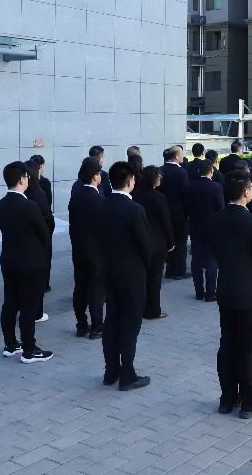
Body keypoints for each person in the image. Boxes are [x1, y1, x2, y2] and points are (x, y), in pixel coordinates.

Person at [209, 175, 252, 418]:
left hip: (226, 289)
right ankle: (249, 401)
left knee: (227, 344)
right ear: (246, 192)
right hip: (249, 293)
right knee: (247, 348)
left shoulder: (216, 220)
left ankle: (227, 398)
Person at [99, 161, 153, 391]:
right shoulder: (134, 209)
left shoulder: (102, 205)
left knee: (112, 319)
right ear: (130, 182)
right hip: (131, 274)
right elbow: (145, 245)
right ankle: (128, 374)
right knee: (130, 323)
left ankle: (111, 370)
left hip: (108, 270)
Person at [0, 161, 54, 363]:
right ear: (22, 179)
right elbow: (45, 234)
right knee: (28, 307)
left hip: (9, 260)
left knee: (10, 303)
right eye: (27, 177)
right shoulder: (30, 206)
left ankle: (10, 344)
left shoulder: (1, 204)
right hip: (31, 262)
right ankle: (29, 350)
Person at [68, 157, 106, 339]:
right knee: (96, 289)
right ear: (95, 176)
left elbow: (72, 225)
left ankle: (81, 325)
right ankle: (97, 326)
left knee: (80, 287)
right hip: (96, 252)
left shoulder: (75, 197)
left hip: (79, 249)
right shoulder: (99, 200)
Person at [132, 165, 175, 319]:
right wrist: (171, 242)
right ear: (153, 178)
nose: (160, 178)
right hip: (157, 243)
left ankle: (140, 308)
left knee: (141, 277)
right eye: (158, 176)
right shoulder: (159, 197)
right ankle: (153, 310)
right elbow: (166, 222)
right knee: (155, 279)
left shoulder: (135, 195)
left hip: (139, 241)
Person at [187, 160, 225, 301]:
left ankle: (199, 291)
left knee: (196, 259)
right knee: (211, 259)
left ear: (199, 171)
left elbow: (187, 205)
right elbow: (220, 208)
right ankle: (210, 292)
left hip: (195, 226)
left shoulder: (191, 186)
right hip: (212, 227)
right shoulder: (216, 187)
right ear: (212, 171)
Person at [24, 159, 54, 321]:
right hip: (38, 244)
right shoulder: (38, 195)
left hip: (22, 245)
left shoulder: (20, 195)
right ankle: (37, 312)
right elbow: (48, 221)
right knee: (38, 279)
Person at [159, 147, 190, 279]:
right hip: (179, 213)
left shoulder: (160, 170)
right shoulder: (181, 172)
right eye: (181, 154)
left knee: (168, 242)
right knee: (181, 243)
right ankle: (179, 271)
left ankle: (169, 269)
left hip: (164, 212)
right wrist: (187, 211)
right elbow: (185, 194)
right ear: (176, 156)